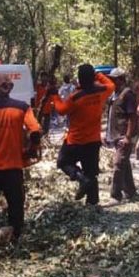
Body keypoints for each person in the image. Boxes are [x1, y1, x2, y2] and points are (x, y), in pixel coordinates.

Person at [0, 72, 41, 239]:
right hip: (13, 168)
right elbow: (35, 132)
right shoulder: (22, 108)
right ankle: (15, 239)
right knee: (16, 207)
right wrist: (31, 150)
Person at [55, 64, 115, 206]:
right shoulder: (101, 91)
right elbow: (111, 84)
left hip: (75, 140)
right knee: (91, 172)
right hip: (93, 140)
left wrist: (54, 97)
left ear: (80, 80)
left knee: (63, 162)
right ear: (92, 77)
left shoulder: (75, 97)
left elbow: (61, 110)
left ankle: (80, 178)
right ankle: (92, 204)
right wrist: (98, 75)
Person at [104, 68, 139, 203]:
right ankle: (130, 191)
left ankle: (115, 195)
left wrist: (128, 137)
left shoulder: (127, 94)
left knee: (118, 163)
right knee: (124, 163)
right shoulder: (114, 94)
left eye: (114, 79)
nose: (111, 82)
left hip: (124, 135)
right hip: (116, 135)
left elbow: (132, 117)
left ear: (121, 80)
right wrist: (107, 135)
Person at [33, 71, 59, 136]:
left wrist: (53, 105)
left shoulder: (50, 87)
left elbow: (53, 97)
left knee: (46, 127)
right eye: (43, 77)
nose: (44, 79)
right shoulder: (37, 87)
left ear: (47, 78)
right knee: (38, 126)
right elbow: (35, 96)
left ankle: (45, 137)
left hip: (48, 110)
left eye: (45, 77)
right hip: (40, 110)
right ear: (41, 78)